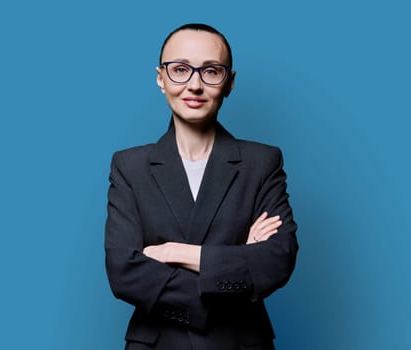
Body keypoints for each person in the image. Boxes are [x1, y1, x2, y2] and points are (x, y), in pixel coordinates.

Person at [105, 23, 298, 350]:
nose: (194, 85)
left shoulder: (262, 162)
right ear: (160, 78)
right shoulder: (129, 167)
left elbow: (276, 261)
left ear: (230, 83)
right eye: (180, 70)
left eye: (211, 71)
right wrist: (238, 261)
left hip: (240, 343)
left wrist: (171, 253)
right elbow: (124, 272)